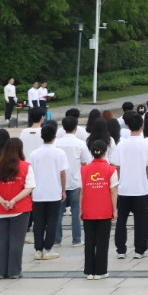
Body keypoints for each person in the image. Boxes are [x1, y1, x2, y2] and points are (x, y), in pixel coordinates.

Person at [0, 137, 34, 279]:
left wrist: (2, 202)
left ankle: (0, 272)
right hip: (20, 208)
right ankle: (14, 271)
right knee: (16, 241)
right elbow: (29, 187)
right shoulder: (26, 167)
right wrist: (13, 200)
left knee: (0, 241)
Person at [110, 122, 148, 260]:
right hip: (141, 188)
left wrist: (120, 181)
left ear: (128, 127)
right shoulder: (147, 144)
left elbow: (116, 166)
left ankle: (121, 249)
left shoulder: (121, 144)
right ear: (142, 127)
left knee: (122, 220)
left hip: (124, 188)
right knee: (141, 221)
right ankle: (139, 250)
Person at [27, 122, 68, 261]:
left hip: (37, 193)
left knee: (38, 222)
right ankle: (48, 249)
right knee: (52, 221)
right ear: (55, 136)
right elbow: (62, 174)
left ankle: (38, 250)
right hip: (54, 192)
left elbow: (30, 173)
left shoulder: (34, 154)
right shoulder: (59, 153)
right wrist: (63, 190)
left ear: (41, 136)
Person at [80, 136, 119, 279]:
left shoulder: (84, 170)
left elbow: (82, 191)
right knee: (102, 241)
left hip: (88, 210)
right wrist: (114, 209)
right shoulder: (111, 170)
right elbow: (113, 190)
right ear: (105, 152)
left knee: (89, 241)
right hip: (104, 210)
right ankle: (101, 271)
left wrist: (80, 209)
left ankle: (89, 271)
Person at [54, 117, 91, 248]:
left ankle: (57, 240)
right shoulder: (80, 144)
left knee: (58, 211)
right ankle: (76, 239)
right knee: (76, 211)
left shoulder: (57, 143)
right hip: (75, 180)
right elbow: (85, 162)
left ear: (63, 128)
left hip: (60, 181)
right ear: (76, 128)